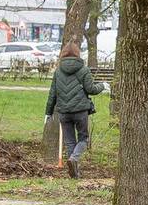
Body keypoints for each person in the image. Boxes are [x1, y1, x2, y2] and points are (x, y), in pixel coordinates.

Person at [44, 41, 105, 178]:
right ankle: (74, 159)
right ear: (77, 54)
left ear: (63, 54)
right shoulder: (84, 70)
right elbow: (91, 90)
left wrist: (48, 113)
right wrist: (102, 85)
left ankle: (74, 174)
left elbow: (52, 94)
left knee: (70, 141)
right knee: (83, 138)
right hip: (80, 111)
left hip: (64, 112)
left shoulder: (58, 72)